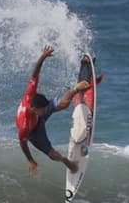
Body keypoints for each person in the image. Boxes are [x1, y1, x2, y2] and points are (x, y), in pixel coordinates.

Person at [15, 45, 90, 175]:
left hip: (36, 116)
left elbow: (35, 74)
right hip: (34, 132)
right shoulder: (24, 127)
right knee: (51, 153)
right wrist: (30, 160)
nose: (45, 112)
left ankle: (75, 89)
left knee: (62, 104)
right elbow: (23, 144)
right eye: (42, 110)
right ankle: (66, 162)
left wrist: (42, 57)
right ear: (33, 108)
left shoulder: (31, 95)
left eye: (45, 110)